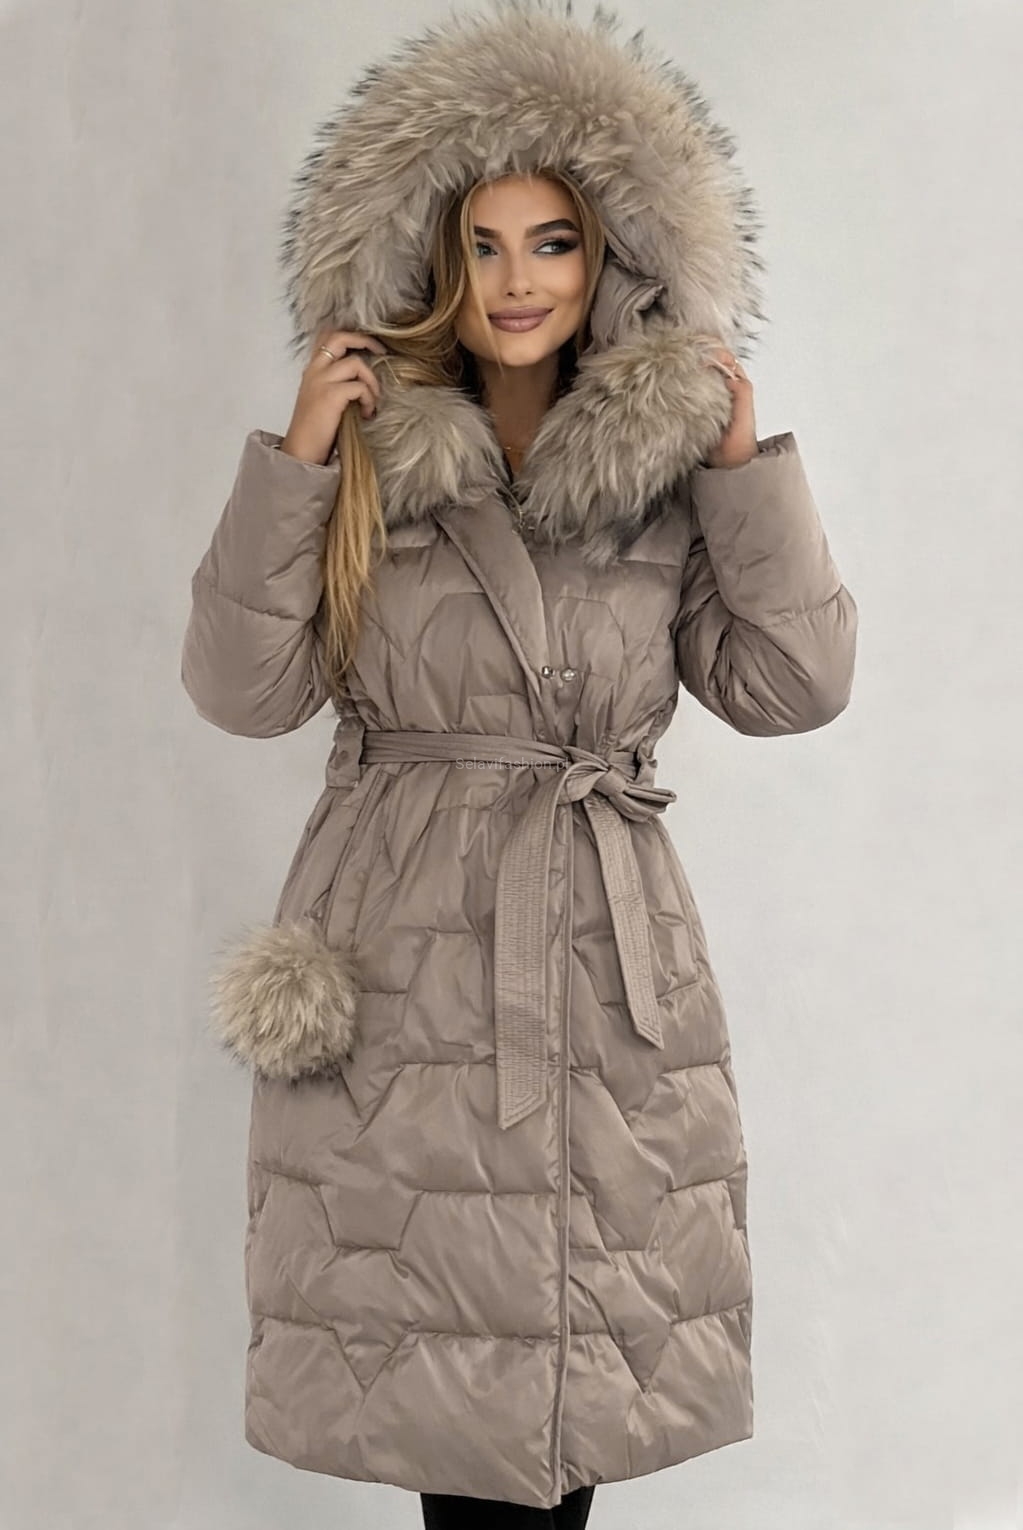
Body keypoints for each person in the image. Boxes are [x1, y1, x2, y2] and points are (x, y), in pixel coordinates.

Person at [180, 1, 858, 1524]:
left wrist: (742, 476)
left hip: (608, 971)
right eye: (482, 245)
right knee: (458, 1400)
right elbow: (241, 688)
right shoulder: (369, 457)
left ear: (612, 254)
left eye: (552, 242)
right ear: (431, 256)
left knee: (571, 1398)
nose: (517, 280)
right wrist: (298, 461)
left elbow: (796, 682)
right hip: (408, 967)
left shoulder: (667, 477)